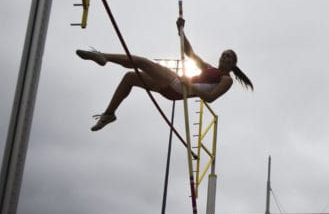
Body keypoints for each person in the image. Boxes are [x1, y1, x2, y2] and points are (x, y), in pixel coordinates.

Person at [76, 18, 253, 131]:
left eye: (228, 56)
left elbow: (210, 98)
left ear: (233, 64)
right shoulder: (209, 68)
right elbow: (189, 53)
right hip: (174, 88)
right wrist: (181, 31)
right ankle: (109, 114)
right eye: (223, 54)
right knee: (130, 78)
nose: (224, 57)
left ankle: (104, 57)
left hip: (180, 87)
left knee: (144, 63)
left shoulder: (226, 79)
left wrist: (188, 84)